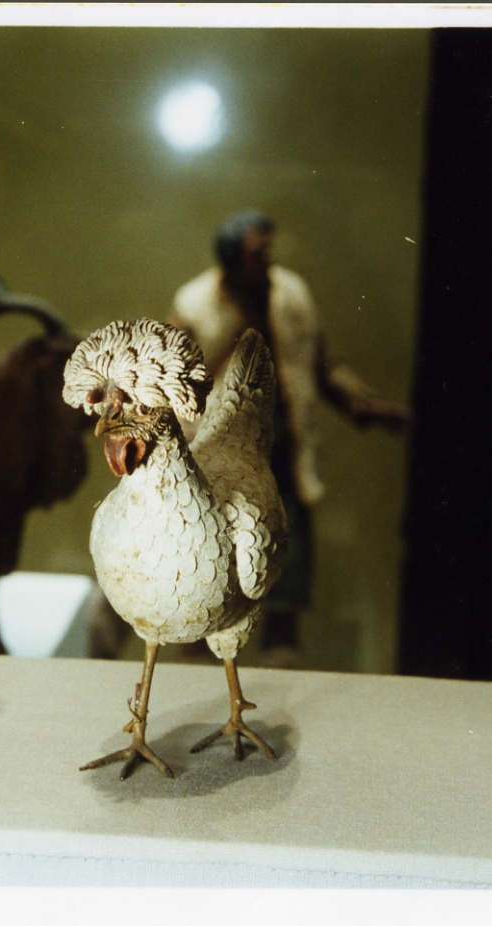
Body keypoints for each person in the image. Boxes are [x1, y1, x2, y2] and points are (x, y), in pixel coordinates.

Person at [168, 210, 408, 663]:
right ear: (232, 257)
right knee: (209, 555)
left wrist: (363, 402)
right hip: (216, 451)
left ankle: (281, 655)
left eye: (270, 249)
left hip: (283, 447)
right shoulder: (195, 302)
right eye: (259, 252)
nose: (270, 259)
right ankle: (197, 664)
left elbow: (323, 364)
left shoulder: (291, 292)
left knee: (286, 550)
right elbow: (173, 377)